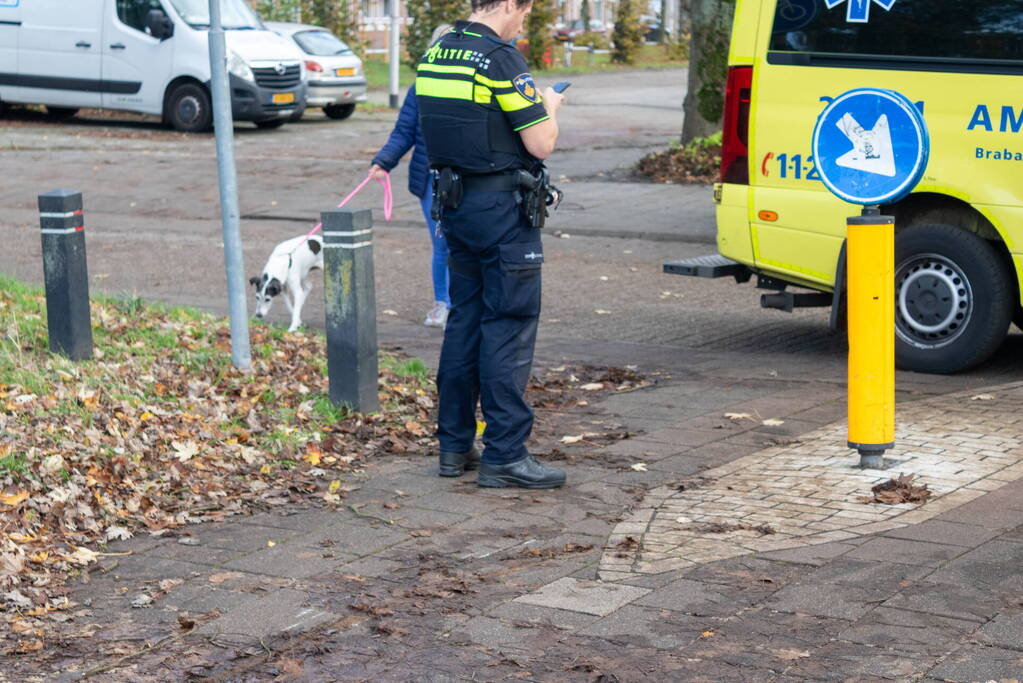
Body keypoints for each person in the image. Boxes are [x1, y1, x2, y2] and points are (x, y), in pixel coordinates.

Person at [416, 0, 567, 489]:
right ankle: (505, 453)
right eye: (524, 9)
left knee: (464, 323)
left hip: (455, 209)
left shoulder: (437, 53)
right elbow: (540, 142)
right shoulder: (501, 59)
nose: (524, 20)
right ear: (506, 5)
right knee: (509, 325)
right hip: (502, 213)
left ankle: (454, 445)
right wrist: (549, 107)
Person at [369, 26, 452, 328]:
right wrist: (383, 162)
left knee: (465, 243)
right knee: (442, 243)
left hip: (468, 179)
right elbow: (404, 131)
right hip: (431, 180)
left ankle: (466, 304)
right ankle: (443, 303)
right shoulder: (420, 87)